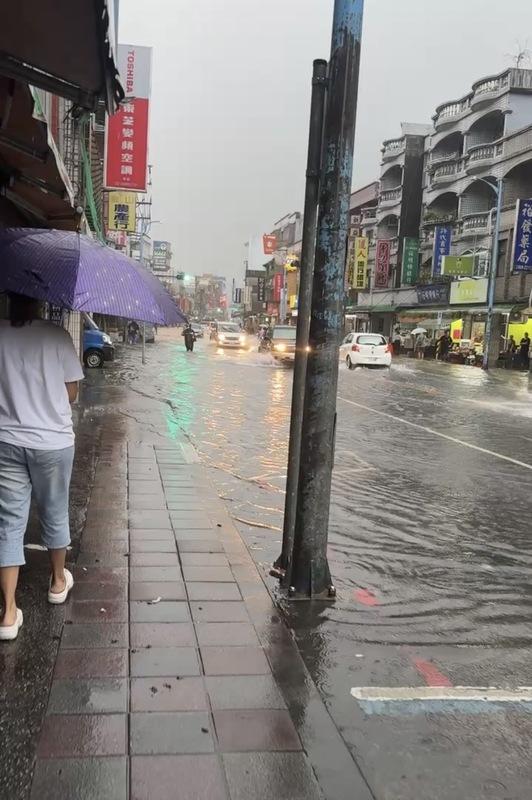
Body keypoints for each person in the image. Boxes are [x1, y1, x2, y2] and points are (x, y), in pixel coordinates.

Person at [0, 293, 84, 640]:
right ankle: (58, 582)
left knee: (9, 521)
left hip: (6, 440)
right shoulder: (57, 336)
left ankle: (7, 613)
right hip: (52, 442)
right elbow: (72, 394)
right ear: (39, 303)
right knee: (54, 511)